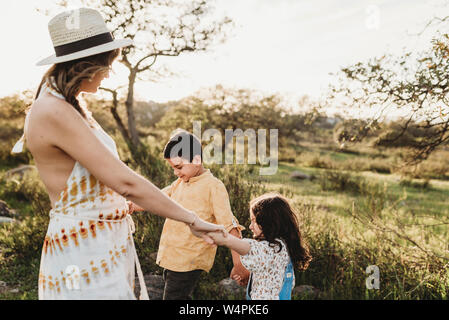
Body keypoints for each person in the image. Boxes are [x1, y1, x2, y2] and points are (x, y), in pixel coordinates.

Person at [11, 7, 225, 300]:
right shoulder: (53, 110)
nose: (109, 74)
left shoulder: (68, 103)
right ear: (85, 65)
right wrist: (193, 220)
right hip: (81, 250)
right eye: (106, 65)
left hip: (98, 243)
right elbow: (125, 182)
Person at [146, 130, 250, 299]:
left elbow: (230, 226)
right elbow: (158, 197)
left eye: (179, 167)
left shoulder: (213, 186)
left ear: (196, 160)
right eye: (173, 168)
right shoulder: (180, 182)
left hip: (189, 261)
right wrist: (133, 205)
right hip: (172, 258)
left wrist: (239, 264)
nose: (176, 173)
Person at [206, 193, 312, 300]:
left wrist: (225, 239)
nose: (250, 226)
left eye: (254, 221)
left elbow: (249, 248)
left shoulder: (273, 249)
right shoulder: (282, 246)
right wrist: (251, 278)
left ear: (269, 223)